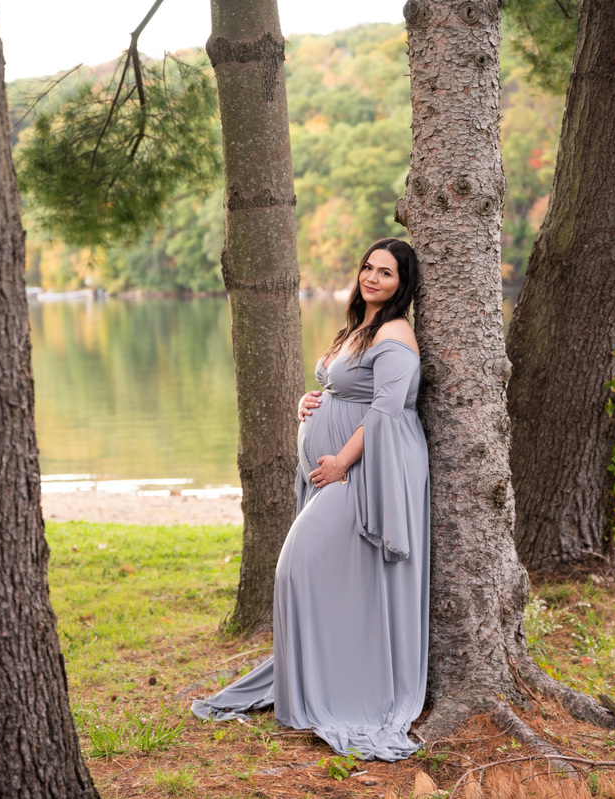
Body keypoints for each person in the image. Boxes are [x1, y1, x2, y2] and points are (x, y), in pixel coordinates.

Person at [191, 238, 430, 762]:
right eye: (368, 266)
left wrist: (342, 462)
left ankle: (345, 690)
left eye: (385, 273)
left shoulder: (396, 332)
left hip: (364, 474)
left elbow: (389, 411)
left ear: (402, 284)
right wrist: (312, 399)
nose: (372, 277)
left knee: (296, 569)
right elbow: (347, 389)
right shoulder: (359, 327)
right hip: (339, 470)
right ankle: (319, 679)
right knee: (331, 578)